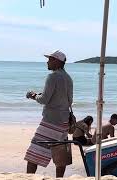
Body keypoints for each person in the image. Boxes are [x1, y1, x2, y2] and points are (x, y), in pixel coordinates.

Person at [24, 50, 73, 178]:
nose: (47, 61)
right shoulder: (68, 78)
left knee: (34, 152)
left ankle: (29, 178)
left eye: (50, 59)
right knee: (60, 154)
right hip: (64, 122)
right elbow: (69, 100)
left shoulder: (53, 76)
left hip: (51, 121)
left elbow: (44, 99)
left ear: (57, 61)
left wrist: (33, 95)